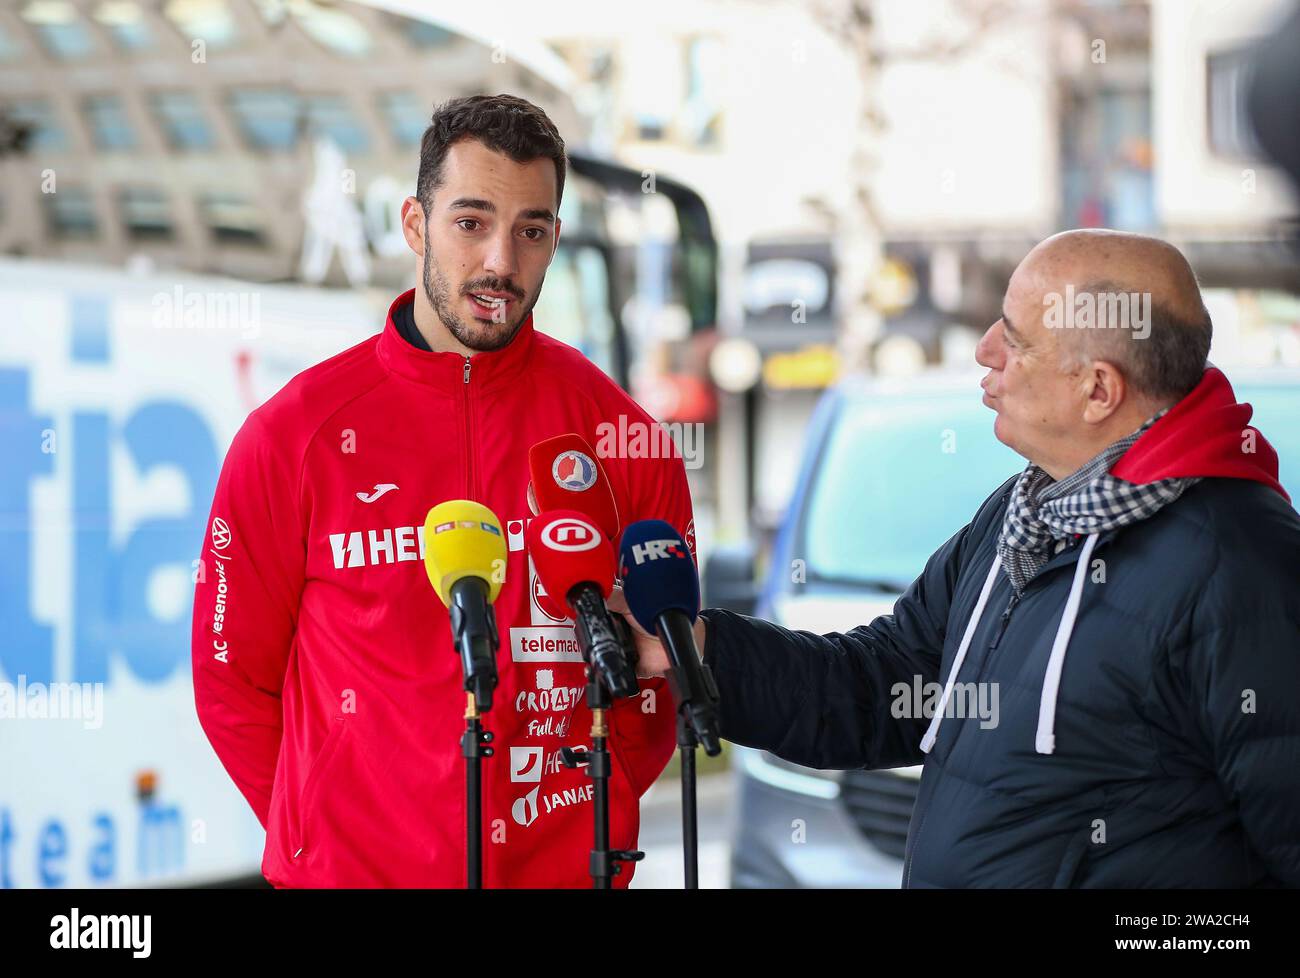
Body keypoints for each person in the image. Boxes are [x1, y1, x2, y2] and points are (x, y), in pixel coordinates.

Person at [621, 229, 1300, 887]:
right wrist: (703, 651)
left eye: (1017, 338)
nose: (985, 349)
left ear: (1099, 390)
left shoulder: (1246, 565)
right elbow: (878, 689)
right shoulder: (1026, 511)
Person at [191, 94, 694, 888]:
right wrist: (323, 842)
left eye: (531, 230)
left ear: (557, 240)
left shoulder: (621, 439)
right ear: (415, 225)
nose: (501, 260)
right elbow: (232, 681)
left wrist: (582, 830)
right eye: (471, 221)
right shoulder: (292, 436)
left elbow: (659, 677)